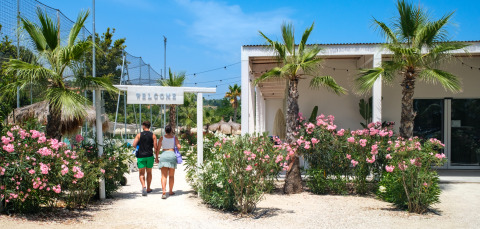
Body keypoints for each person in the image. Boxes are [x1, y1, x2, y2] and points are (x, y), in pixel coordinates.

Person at [155, 125, 181, 199]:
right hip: (172, 155)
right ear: (171, 131)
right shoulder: (174, 138)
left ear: (165, 131)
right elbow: (179, 147)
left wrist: (156, 157)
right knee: (171, 176)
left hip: (164, 155)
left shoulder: (162, 138)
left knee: (163, 176)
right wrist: (176, 146)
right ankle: (170, 191)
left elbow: (158, 148)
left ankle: (163, 191)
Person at [133, 121, 157, 196]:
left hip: (141, 156)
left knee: (141, 173)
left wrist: (140, 146)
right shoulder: (153, 135)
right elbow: (156, 147)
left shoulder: (139, 135)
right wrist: (156, 157)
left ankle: (143, 186)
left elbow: (134, 145)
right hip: (150, 156)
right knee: (149, 172)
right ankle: (148, 188)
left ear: (143, 126)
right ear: (149, 126)